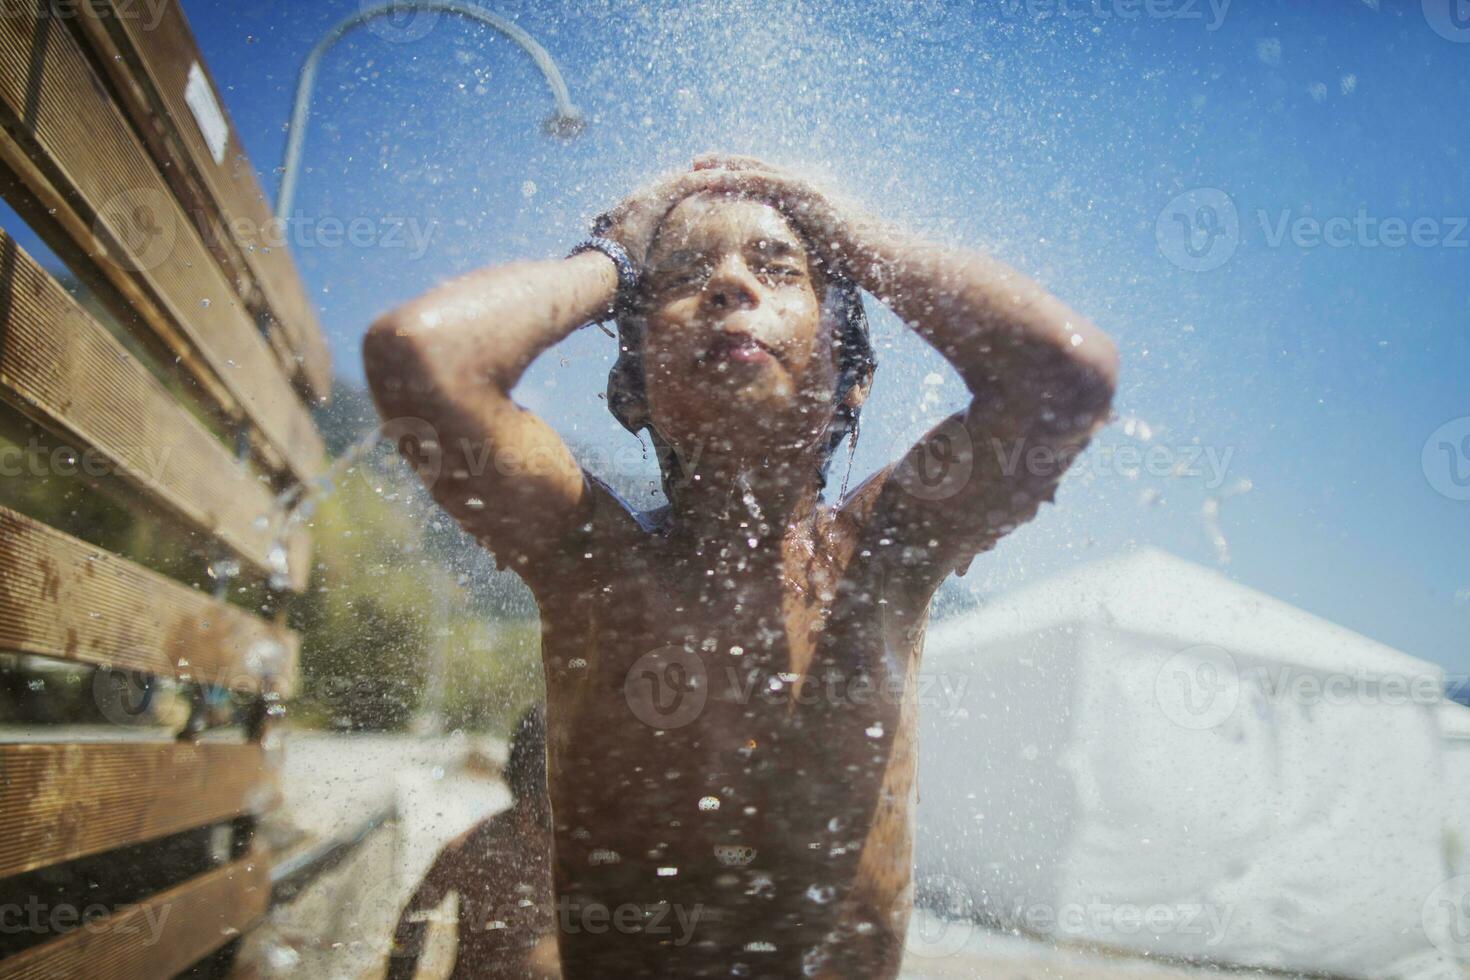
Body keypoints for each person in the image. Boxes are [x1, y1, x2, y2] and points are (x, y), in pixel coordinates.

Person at [364, 153, 1117, 978]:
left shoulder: (884, 556)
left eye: (778, 268)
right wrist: (614, 254)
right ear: (632, 393)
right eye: (685, 274)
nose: (730, 286)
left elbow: (1063, 373)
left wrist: (856, 239)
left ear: (851, 378)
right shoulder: (591, 563)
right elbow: (420, 354)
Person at [385, 705, 558, 979]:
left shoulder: (584, 854)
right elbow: (413, 918)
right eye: (537, 805)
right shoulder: (476, 847)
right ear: (520, 785)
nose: (543, 826)